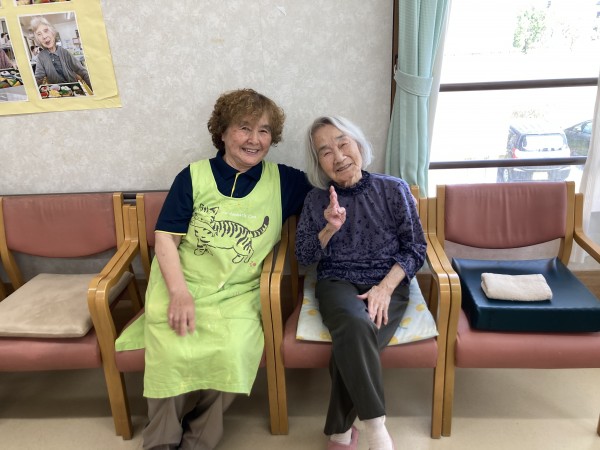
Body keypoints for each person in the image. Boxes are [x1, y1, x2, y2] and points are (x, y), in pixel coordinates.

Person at [116, 88, 311, 450]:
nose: (254, 139)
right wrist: (179, 294)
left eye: (264, 131)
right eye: (244, 127)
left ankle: (199, 438)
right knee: (171, 350)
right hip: (182, 281)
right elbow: (165, 239)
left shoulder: (286, 182)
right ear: (222, 132)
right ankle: (160, 440)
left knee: (235, 351)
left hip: (239, 291)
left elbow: (331, 192)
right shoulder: (192, 177)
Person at [295, 116, 427, 450]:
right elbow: (304, 256)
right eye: (326, 152)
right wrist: (329, 228)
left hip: (389, 280)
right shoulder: (315, 200)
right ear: (319, 163)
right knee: (356, 324)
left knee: (356, 339)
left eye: (343, 143)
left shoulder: (393, 189)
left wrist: (385, 288)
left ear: (358, 144)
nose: (338, 156)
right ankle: (375, 427)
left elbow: (416, 248)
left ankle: (341, 429)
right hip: (336, 280)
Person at [29, 16, 92, 91]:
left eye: (46, 30)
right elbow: (38, 78)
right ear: (38, 39)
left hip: (74, 90)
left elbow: (82, 72)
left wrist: (95, 90)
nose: (44, 36)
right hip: (56, 93)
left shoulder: (65, 52)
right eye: (39, 34)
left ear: (52, 32)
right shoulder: (41, 57)